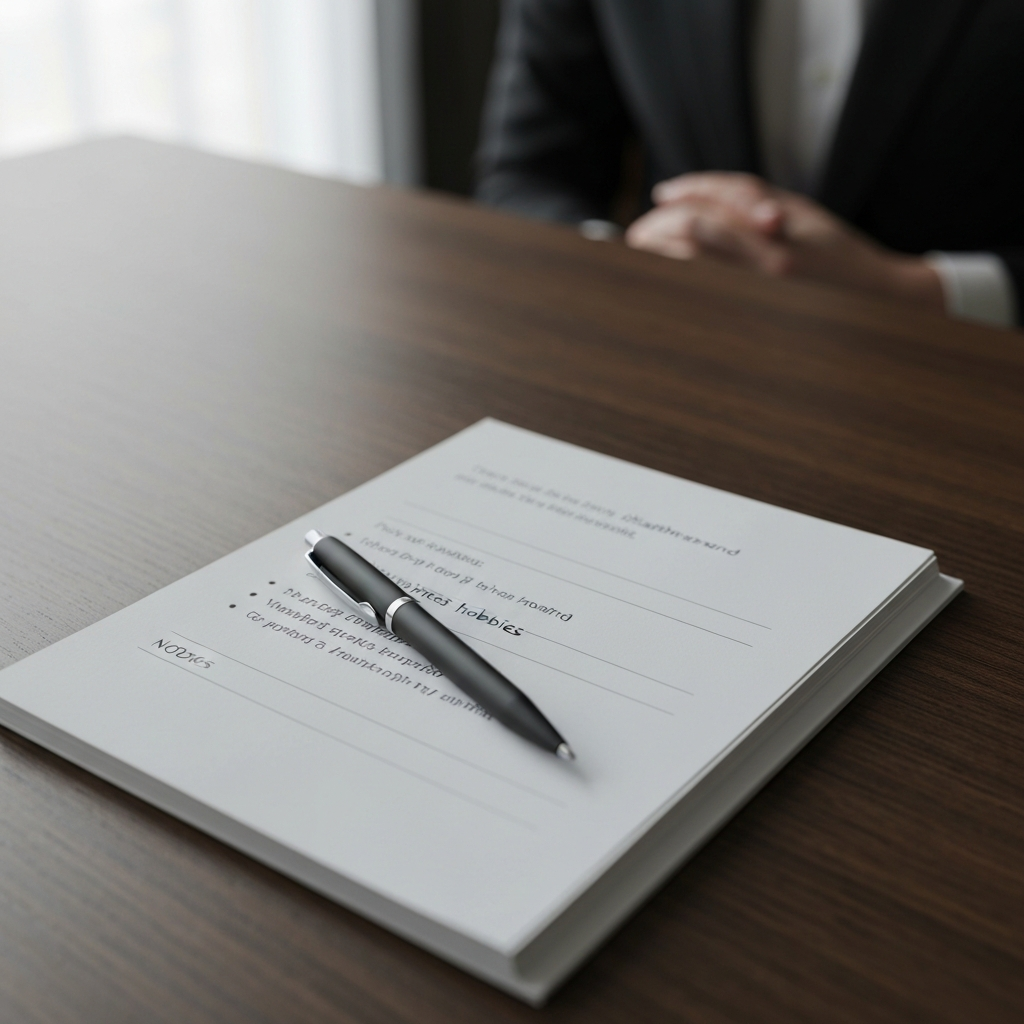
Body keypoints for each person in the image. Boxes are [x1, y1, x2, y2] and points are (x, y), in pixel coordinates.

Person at [475, 0, 1023, 327]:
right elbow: (526, 174)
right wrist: (622, 270)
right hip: (676, 361)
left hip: (971, 393)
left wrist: (909, 291)